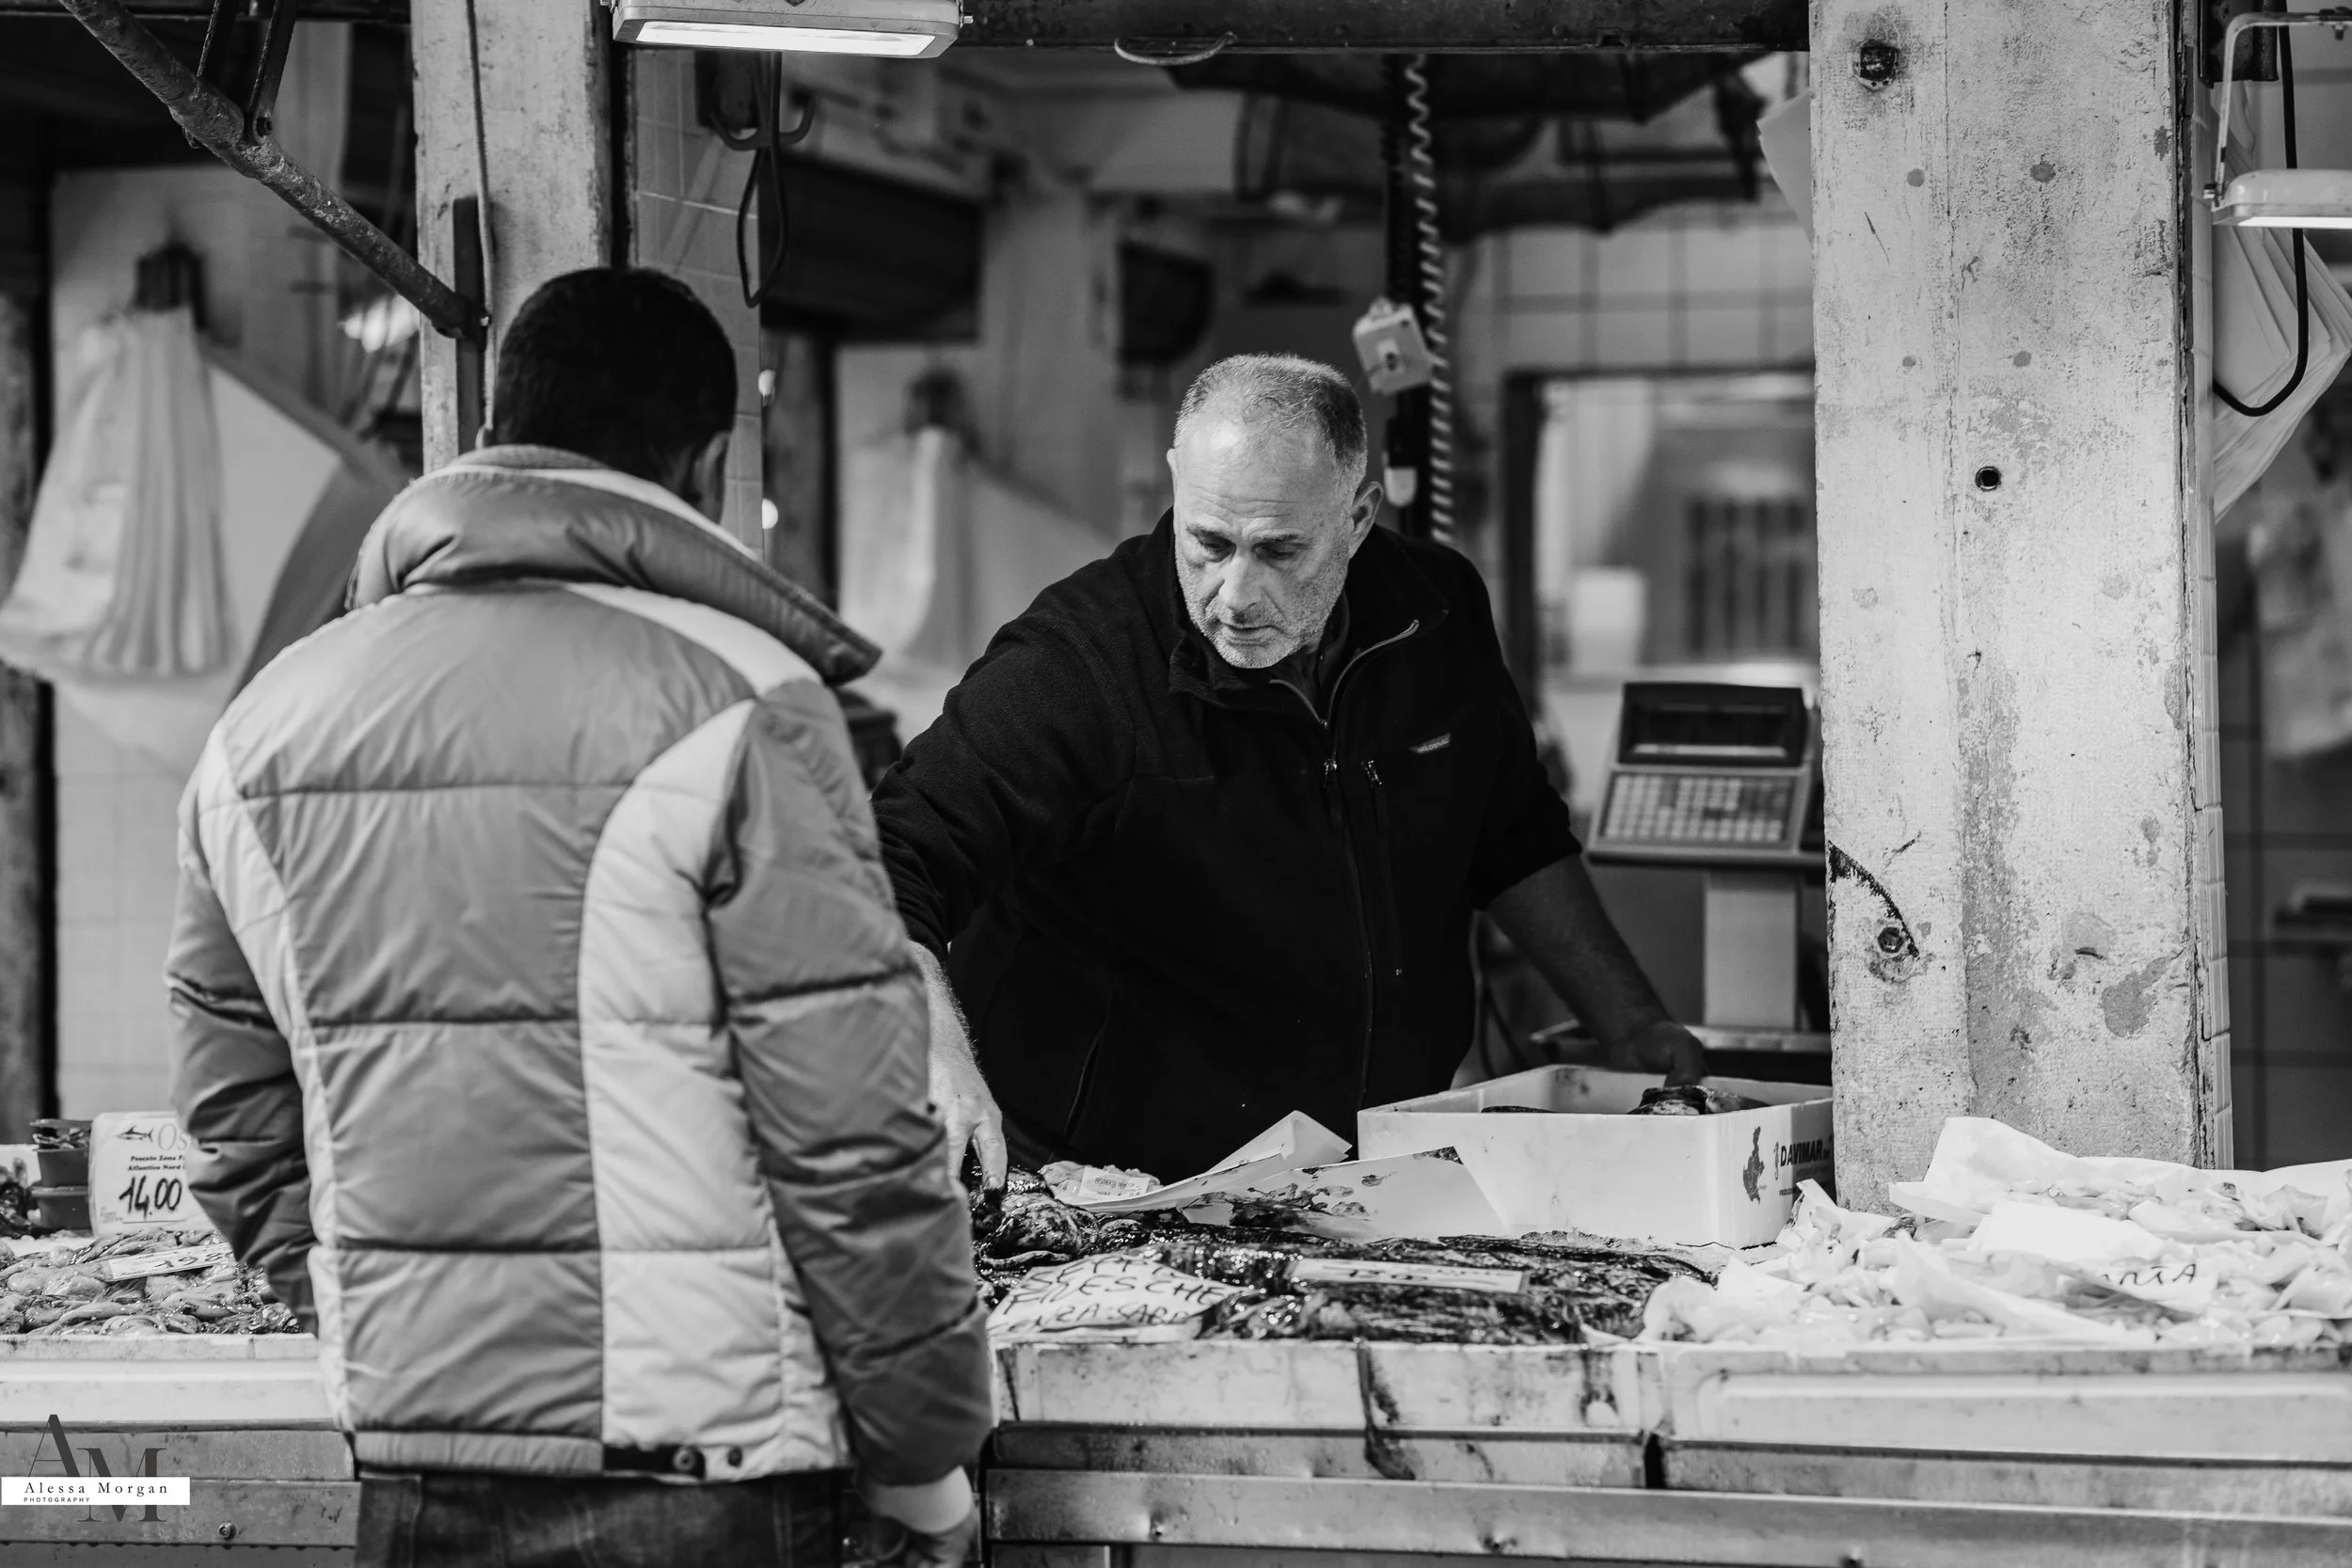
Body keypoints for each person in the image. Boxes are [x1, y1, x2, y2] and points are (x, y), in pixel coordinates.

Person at [167, 269, 990, 1568]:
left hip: (415, 1455)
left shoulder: (262, 726)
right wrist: (926, 1454)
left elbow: (231, 1120)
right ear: (714, 463)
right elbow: (849, 1133)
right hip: (703, 1470)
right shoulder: (747, 705)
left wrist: (363, 1311)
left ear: (495, 426)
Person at [873, 353, 1708, 1186]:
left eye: (1279, 550)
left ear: (1358, 515)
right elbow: (888, 858)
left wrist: (1631, 1026)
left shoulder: (1435, 614)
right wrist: (935, 1054)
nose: (1235, 594)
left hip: (1362, 1171)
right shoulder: (1075, 665)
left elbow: (1512, 834)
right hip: (1107, 1189)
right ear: (1175, 483)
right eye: (1207, 542)